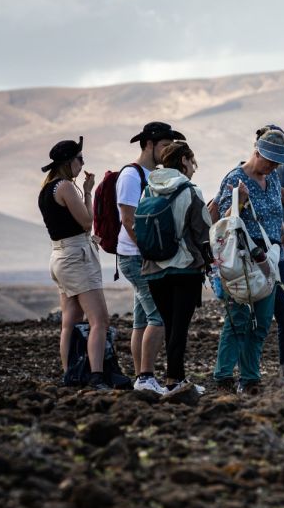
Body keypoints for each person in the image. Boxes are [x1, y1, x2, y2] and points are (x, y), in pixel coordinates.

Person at [212, 129, 284, 395]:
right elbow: (224, 221)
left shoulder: (274, 180)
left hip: (269, 257)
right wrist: (241, 202)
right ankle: (223, 377)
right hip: (244, 258)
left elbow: (274, 214)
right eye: (269, 160)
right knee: (238, 319)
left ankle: (250, 378)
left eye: (277, 162)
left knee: (262, 321)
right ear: (256, 152)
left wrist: (282, 234)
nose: (273, 166)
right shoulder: (234, 179)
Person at [118, 122, 186, 394]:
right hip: (137, 256)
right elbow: (127, 218)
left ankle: (143, 377)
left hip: (141, 256)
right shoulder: (131, 176)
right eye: (164, 145)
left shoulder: (151, 174)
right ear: (148, 144)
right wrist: (151, 253)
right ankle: (146, 377)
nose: (168, 150)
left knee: (142, 320)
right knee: (159, 316)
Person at [37, 137, 110, 390]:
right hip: (76, 257)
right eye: (80, 159)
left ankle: (70, 374)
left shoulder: (46, 190)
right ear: (68, 162)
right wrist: (89, 191)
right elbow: (87, 222)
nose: (83, 164)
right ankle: (97, 375)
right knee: (99, 319)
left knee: (70, 319)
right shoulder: (66, 187)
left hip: (60, 256)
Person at [140, 142, 212, 395]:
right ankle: (174, 381)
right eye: (193, 163)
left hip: (153, 270)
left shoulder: (148, 190)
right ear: (184, 161)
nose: (194, 168)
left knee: (170, 325)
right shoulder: (191, 191)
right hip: (185, 268)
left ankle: (176, 378)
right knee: (179, 329)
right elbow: (203, 232)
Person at [254, 125, 284, 390]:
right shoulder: (244, 173)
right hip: (252, 256)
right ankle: (248, 375)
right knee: (254, 318)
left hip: (278, 254)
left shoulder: (279, 170)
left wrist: (270, 184)